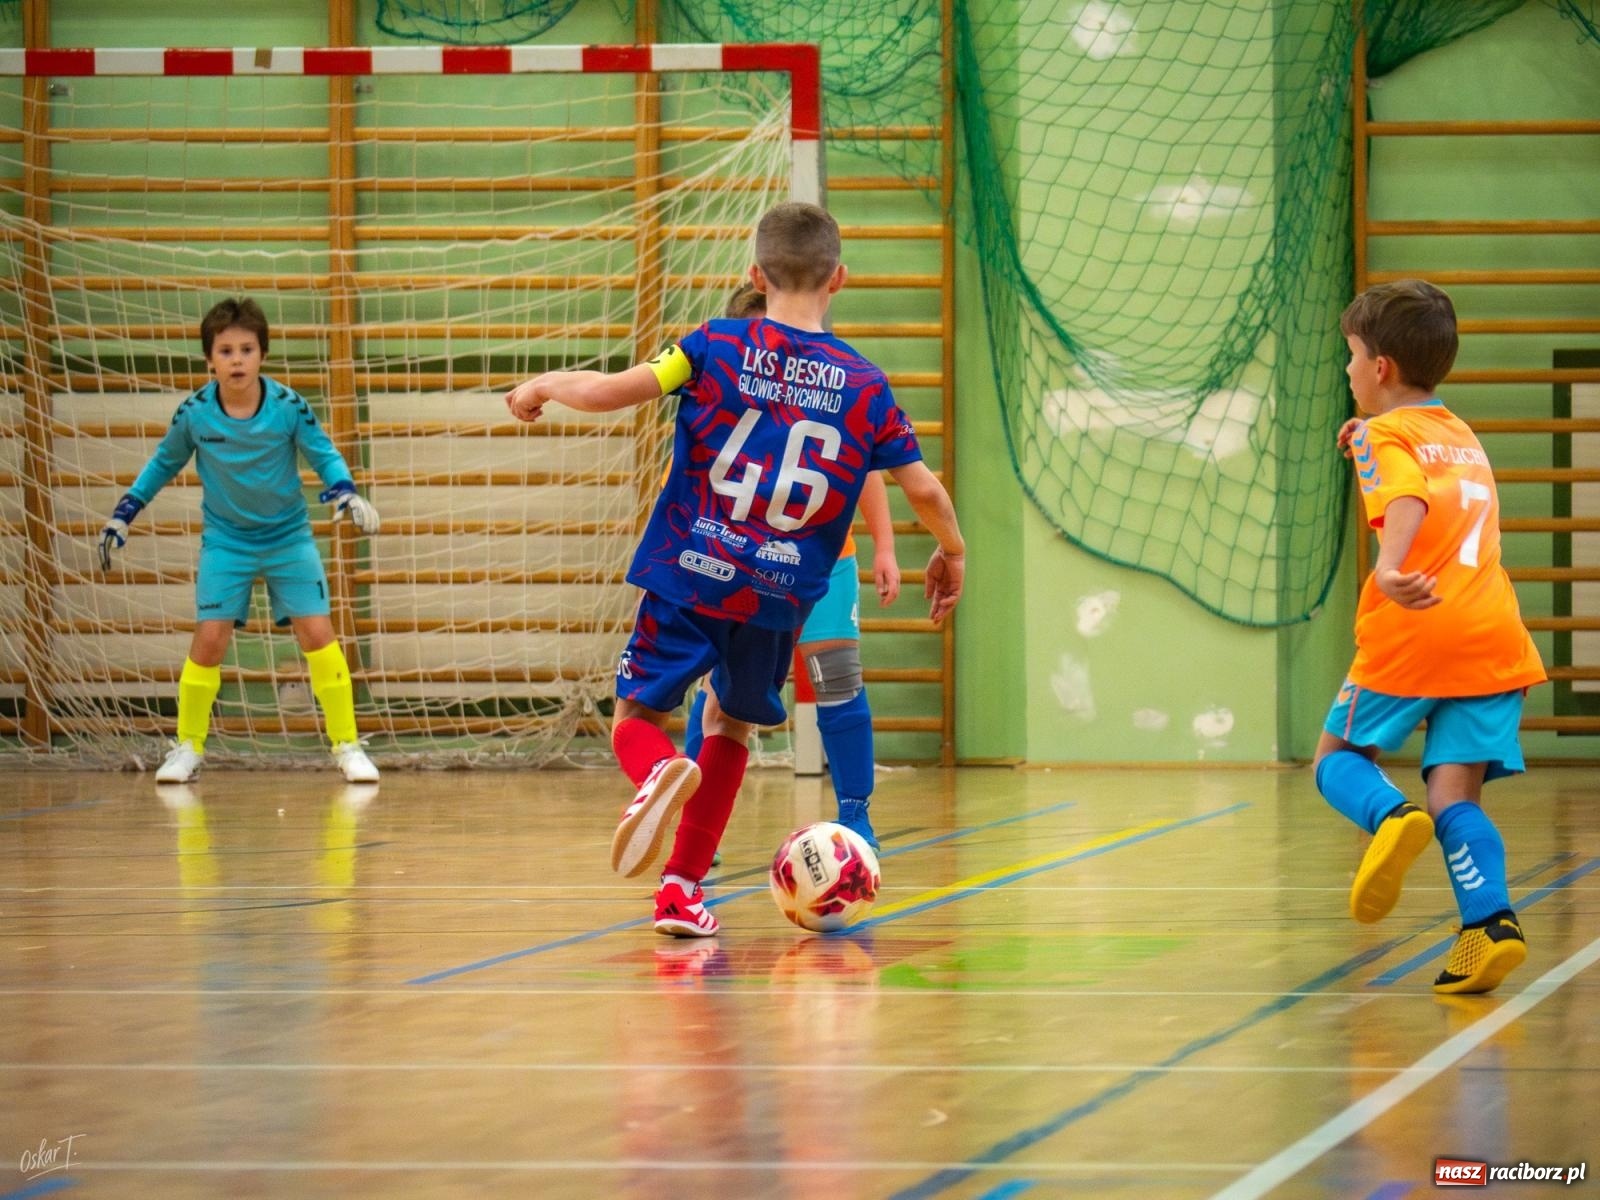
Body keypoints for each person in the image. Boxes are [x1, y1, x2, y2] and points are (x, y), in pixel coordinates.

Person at [506, 201, 965, 938]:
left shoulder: (712, 345)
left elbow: (612, 392)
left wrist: (546, 386)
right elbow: (923, 490)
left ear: (755, 273)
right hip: (778, 595)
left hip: (693, 566)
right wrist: (953, 551)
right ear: (839, 279)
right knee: (731, 724)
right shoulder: (866, 385)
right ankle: (682, 889)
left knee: (638, 716)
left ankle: (657, 773)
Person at [1314, 279, 1545, 994]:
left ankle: (1391, 816)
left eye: (1351, 357)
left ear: (1379, 368)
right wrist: (1366, 438)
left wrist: (1388, 566)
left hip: (1416, 629)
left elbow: (1407, 495)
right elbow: (1430, 478)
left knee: (1337, 757)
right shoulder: (1459, 433)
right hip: (1492, 635)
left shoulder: (1384, 434)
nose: (1347, 370)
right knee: (1458, 796)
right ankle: (1489, 926)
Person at [98, 297, 382, 784]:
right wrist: (126, 512)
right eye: (225, 350)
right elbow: (164, 463)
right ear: (210, 359)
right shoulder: (194, 414)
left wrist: (346, 492)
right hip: (226, 542)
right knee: (210, 638)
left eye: (246, 349)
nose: (236, 360)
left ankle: (347, 745)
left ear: (262, 355)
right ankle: (187, 747)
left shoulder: (289, 406)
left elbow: (323, 453)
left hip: (288, 538)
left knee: (318, 634)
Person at [682, 283, 902, 852]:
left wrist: (884, 545)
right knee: (720, 693)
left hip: (823, 561)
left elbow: (871, 467)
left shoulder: (832, 385)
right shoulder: (720, 401)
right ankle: (690, 815)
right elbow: (686, 489)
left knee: (838, 679)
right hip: (740, 564)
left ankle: (856, 813)